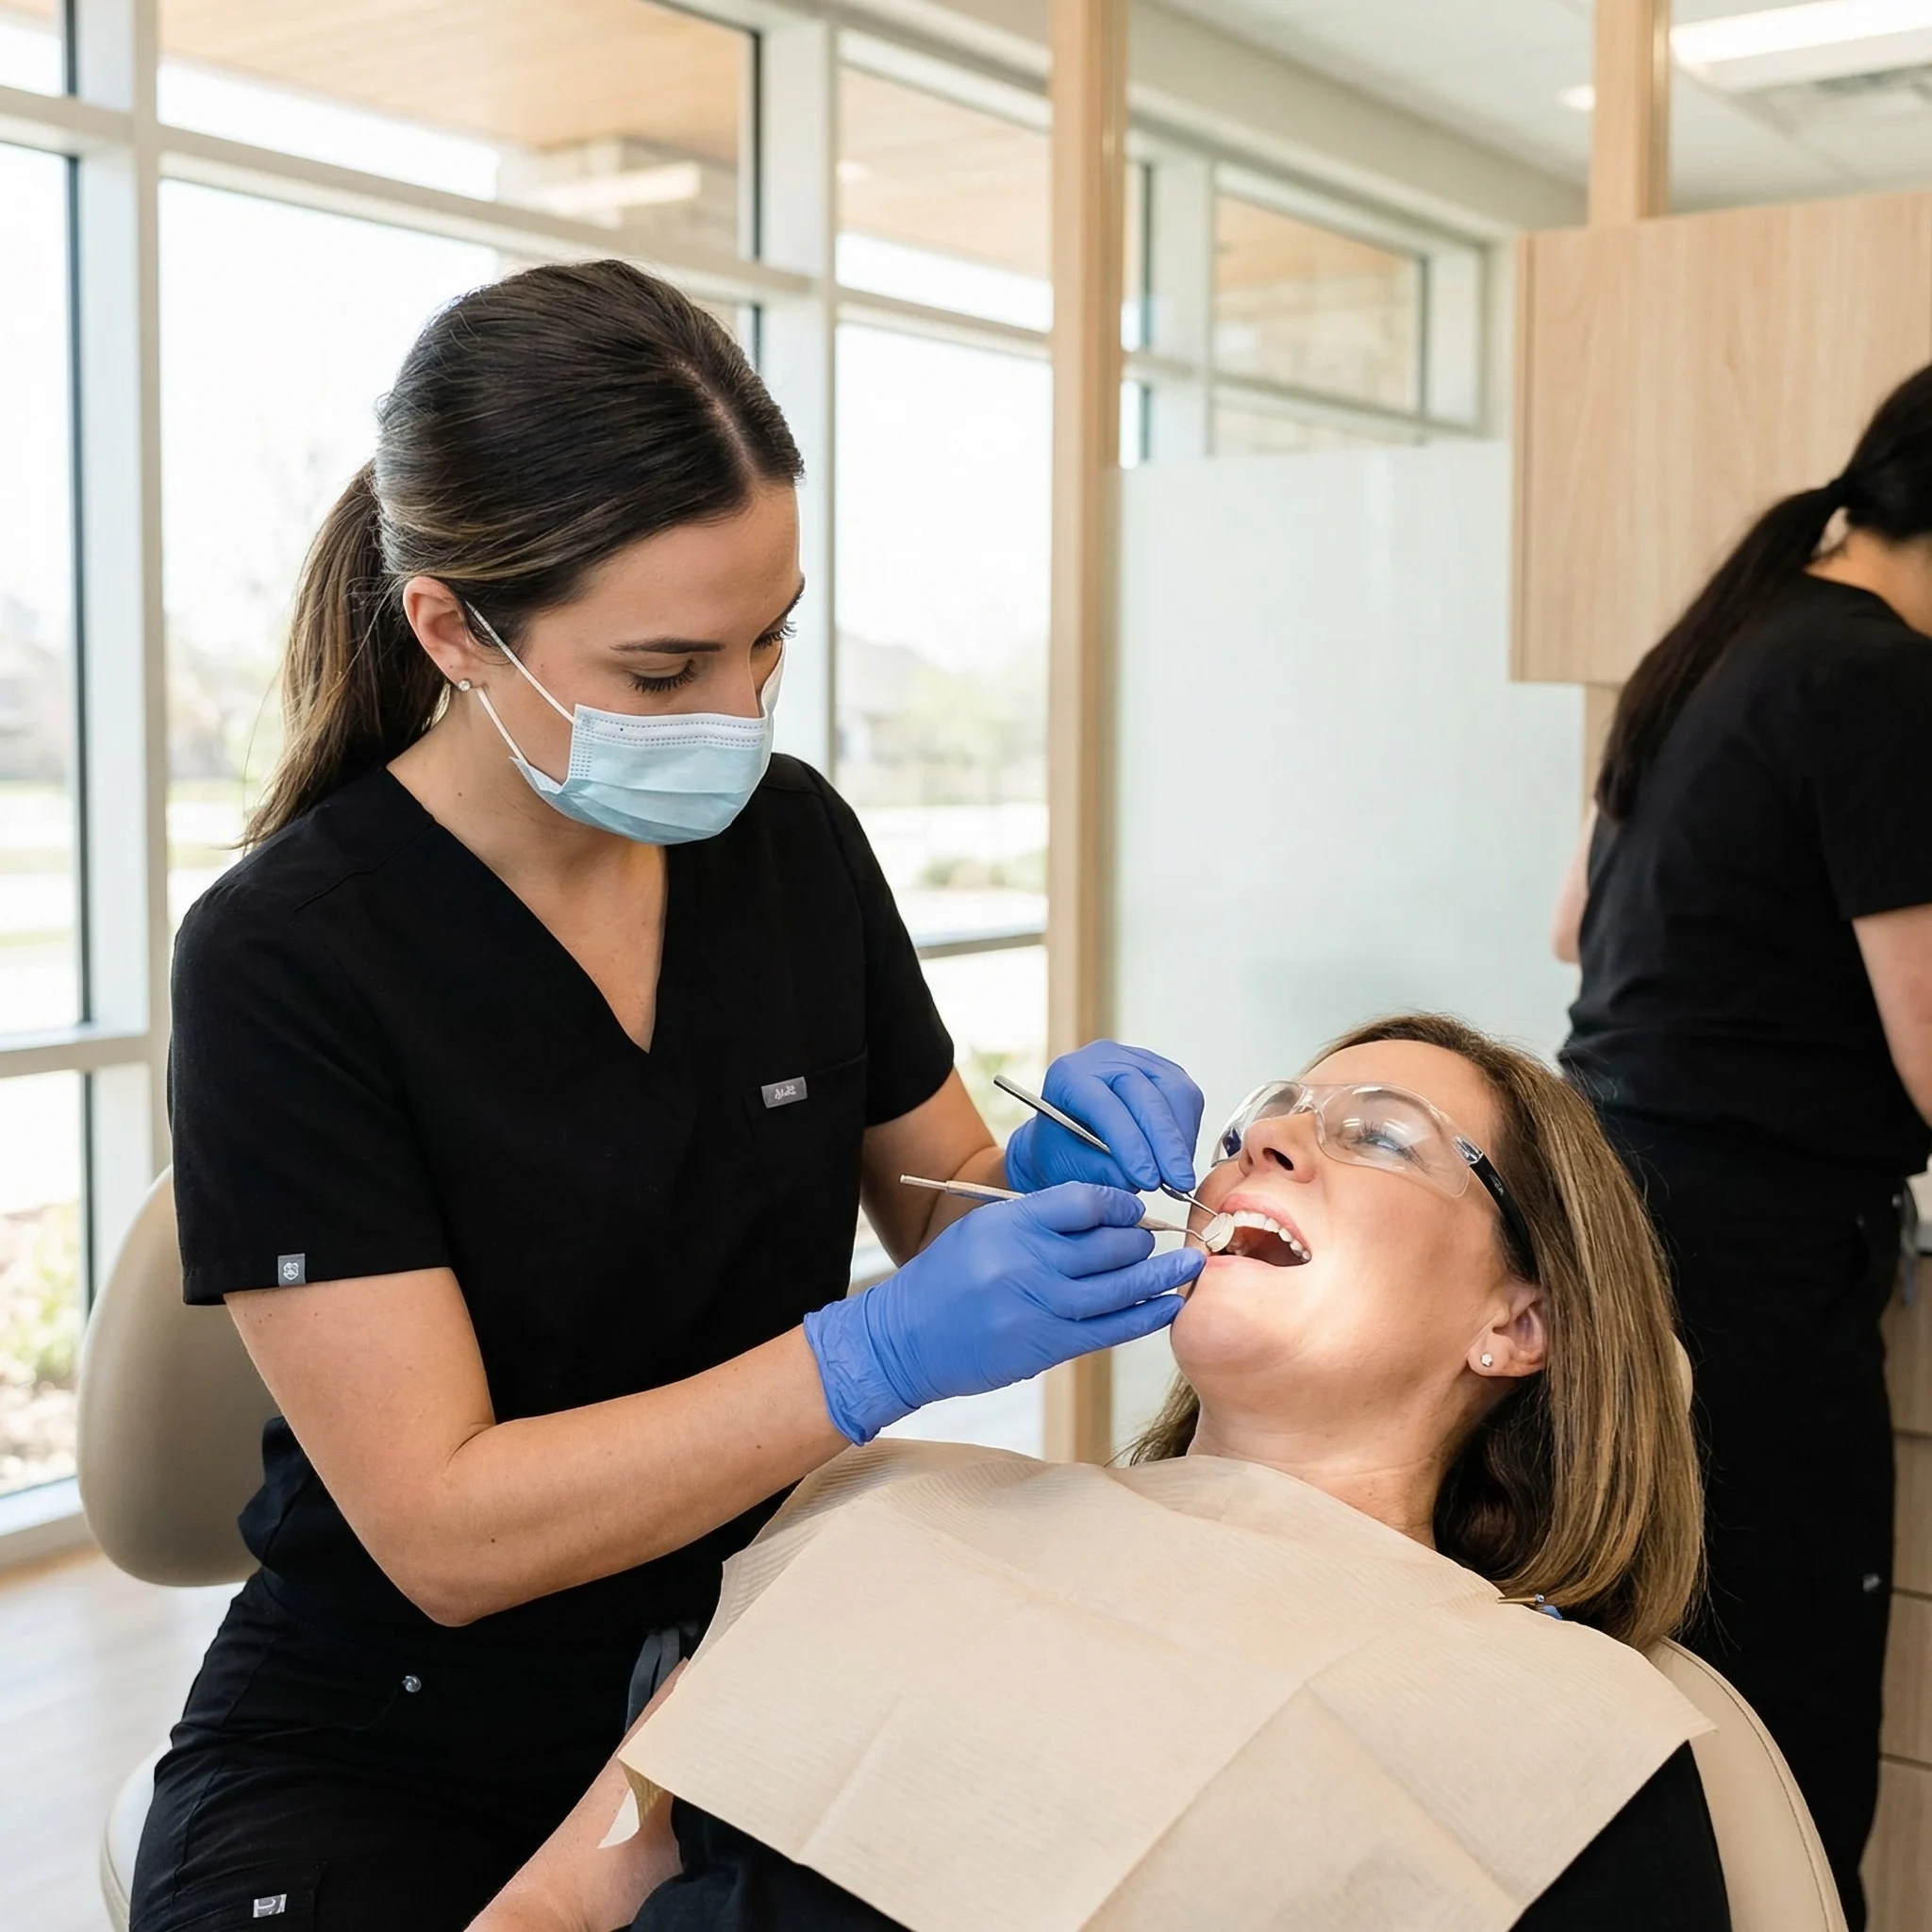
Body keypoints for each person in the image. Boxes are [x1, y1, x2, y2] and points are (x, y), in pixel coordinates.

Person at [131, 259, 1208, 1932]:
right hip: (394, 1742)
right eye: (661, 671)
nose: (741, 711)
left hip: (755, 1672)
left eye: (769, 638)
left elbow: (941, 1201)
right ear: (454, 632)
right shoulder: (288, 958)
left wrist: (1045, 1176)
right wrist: (872, 1358)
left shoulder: (795, 846)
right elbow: (446, 1532)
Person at [475, 1014, 1729, 1932]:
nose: (1270, 1139)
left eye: (1380, 1139)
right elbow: (561, 1906)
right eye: (1256, 1125)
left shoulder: (1562, 1739)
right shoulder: (890, 1509)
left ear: (1518, 1323)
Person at [1554, 364, 1932, 1926]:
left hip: (1607, 1208)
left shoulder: (1726, 636)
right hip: (1753, 1261)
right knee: (1788, 1713)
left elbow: (1570, 926)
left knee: (1650, 1680)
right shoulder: (1881, 678)